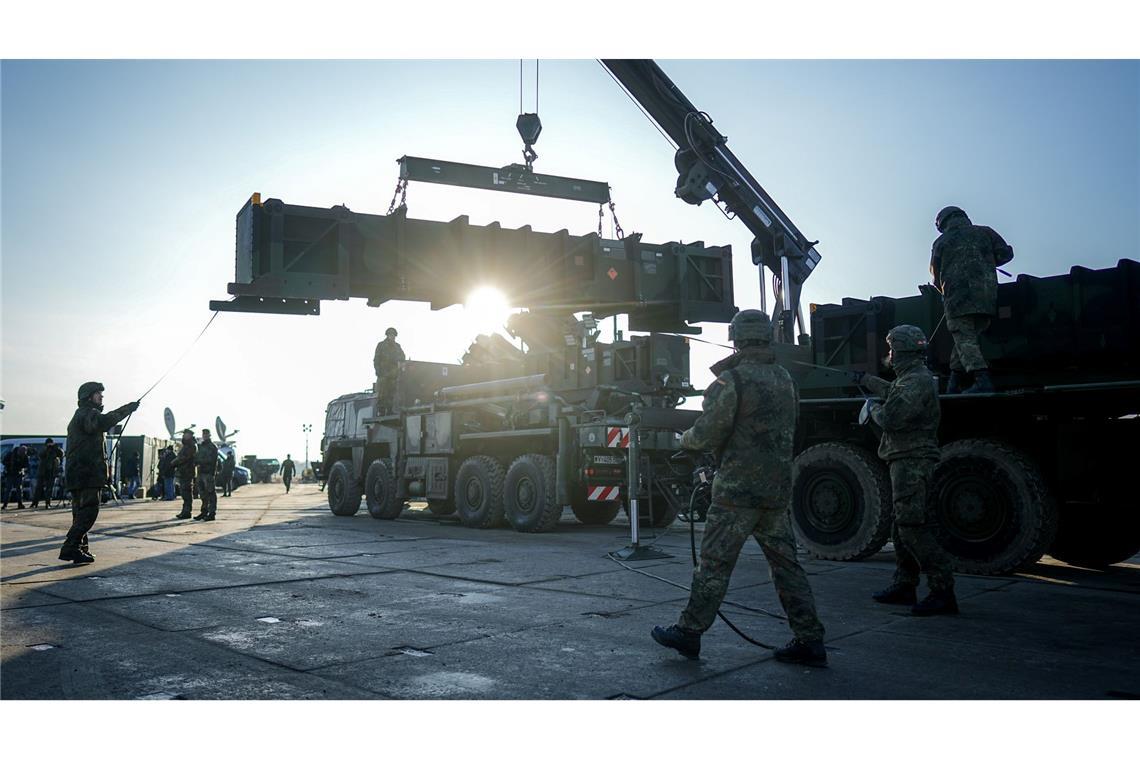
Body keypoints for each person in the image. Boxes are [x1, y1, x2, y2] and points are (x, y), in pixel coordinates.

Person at [651, 310, 827, 665]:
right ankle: (810, 639)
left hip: (736, 493)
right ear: (765, 337)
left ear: (737, 338)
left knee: (714, 565)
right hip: (775, 491)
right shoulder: (784, 378)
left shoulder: (732, 381)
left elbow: (706, 433)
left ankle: (689, 632)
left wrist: (683, 440)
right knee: (787, 567)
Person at [859, 325, 958, 615]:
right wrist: (867, 381)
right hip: (904, 458)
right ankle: (905, 584)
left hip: (912, 460)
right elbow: (894, 391)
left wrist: (871, 409)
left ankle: (942, 589)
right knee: (900, 526)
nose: (889, 354)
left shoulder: (915, 381)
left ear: (901, 352)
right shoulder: (911, 379)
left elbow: (891, 417)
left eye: (891, 350)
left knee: (912, 527)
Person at [929, 205, 1014, 394]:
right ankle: (954, 382)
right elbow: (1005, 254)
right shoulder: (985, 232)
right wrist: (987, 262)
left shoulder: (941, 242)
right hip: (986, 296)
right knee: (967, 339)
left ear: (943, 224)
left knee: (964, 338)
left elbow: (935, 277)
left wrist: (945, 292)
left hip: (957, 300)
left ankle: (981, 379)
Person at [59, 382, 139, 564]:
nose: (101, 397)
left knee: (80, 514)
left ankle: (79, 550)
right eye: (98, 394)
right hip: (86, 473)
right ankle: (70, 547)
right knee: (88, 512)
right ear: (88, 397)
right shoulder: (88, 413)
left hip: (80, 473)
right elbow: (102, 423)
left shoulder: (82, 414)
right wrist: (127, 409)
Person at [373, 326, 405, 415]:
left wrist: (399, 363)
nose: (392, 336)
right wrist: (378, 371)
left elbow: (403, 357)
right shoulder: (381, 345)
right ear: (387, 335)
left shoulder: (397, 347)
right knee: (382, 393)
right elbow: (376, 359)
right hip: (383, 373)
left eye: (393, 335)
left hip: (393, 374)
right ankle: (381, 411)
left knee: (392, 393)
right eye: (390, 335)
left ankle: (390, 410)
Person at [193, 429, 219, 521]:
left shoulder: (212, 447)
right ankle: (204, 511)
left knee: (211, 493)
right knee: (202, 493)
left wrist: (200, 462)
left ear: (209, 435)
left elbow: (212, 461)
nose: (205, 436)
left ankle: (212, 513)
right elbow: (197, 457)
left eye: (206, 434)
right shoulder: (201, 446)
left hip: (208, 473)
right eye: (203, 434)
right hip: (201, 472)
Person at [30, 438, 63, 509]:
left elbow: (61, 454)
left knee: (49, 488)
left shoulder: (55, 449)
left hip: (51, 471)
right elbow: (40, 455)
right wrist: (47, 448)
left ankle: (47, 503)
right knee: (39, 488)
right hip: (43, 471)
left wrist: (56, 448)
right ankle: (35, 502)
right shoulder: (44, 449)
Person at [172, 431, 197, 519]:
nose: (183, 436)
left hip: (187, 472)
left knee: (187, 492)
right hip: (183, 472)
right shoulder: (186, 445)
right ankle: (185, 510)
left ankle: (187, 511)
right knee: (184, 492)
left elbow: (185, 457)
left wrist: (174, 462)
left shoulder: (191, 446)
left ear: (189, 435)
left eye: (185, 434)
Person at [2, 444, 31, 510]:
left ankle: (19, 503)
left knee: (19, 490)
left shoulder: (24, 456)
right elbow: (4, 461)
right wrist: (9, 464)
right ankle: (5, 504)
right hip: (10, 473)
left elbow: (27, 465)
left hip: (18, 474)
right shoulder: (11, 454)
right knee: (8, 490)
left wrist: (23, 468)